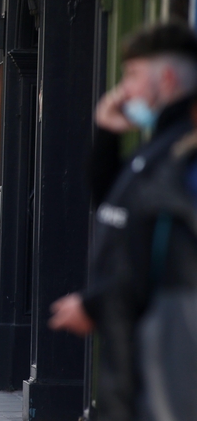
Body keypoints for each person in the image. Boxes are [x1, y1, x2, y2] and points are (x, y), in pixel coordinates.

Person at [49, 23, 197, 420]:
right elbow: (117, 205)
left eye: (132, 75)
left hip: (167, 376)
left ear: (165, 78)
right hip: (139, 373)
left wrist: (95, 303)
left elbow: (164, 257)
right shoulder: (157, 151)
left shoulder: (183, 158)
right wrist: (107, 135)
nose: (123, 90)